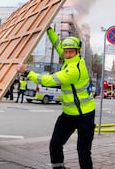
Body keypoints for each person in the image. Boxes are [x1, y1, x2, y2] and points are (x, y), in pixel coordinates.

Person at [17, 27, 95, 169]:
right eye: (66, 51)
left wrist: (27, 72)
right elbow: (57, 44)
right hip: (68, 114)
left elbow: (49, 80)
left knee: (83, 151)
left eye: (71, 51)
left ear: (77, 52)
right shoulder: (68, 58)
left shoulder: (74, 69)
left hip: (84, 115)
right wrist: (48, 29)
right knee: (55, 143)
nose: (67, 54)